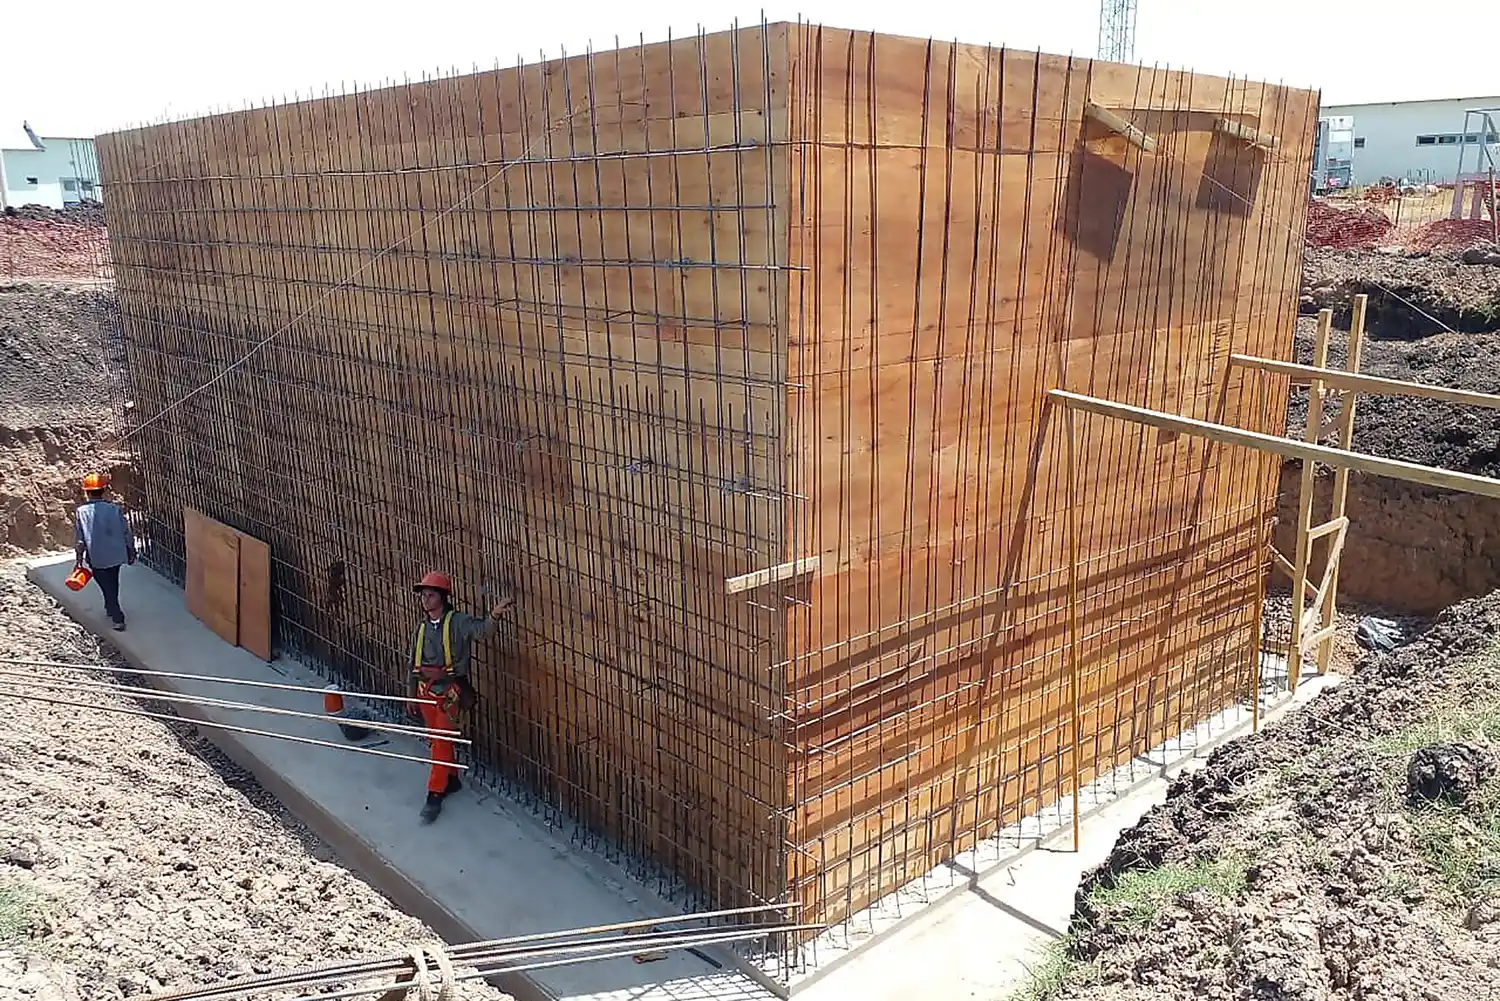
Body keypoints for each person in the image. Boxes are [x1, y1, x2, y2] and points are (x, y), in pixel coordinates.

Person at [408, 570, 514, 824]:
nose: (425, 599)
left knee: (440, 741)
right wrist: (411, 695)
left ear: (443, 597)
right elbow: (412, 663)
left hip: (449, 692)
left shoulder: (458, 622)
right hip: (425, 691)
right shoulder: (421, 628)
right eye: (423, 595)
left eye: (430, 594)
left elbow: (483, 631)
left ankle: (435, 793)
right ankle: (452, 779)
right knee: (436, 738)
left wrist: (494, 616)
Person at [74, 472, 136, 632]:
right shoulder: (114, 509)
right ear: (104, 490)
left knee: (105, 585)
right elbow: (126, 532)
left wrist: (79, 560)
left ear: (87, 492)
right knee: (113, 581)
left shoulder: (81, 512)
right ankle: (110, 606)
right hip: (116, 554)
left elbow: (80, 540)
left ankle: (117, 616)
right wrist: (131, 550)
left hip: (97, 556)